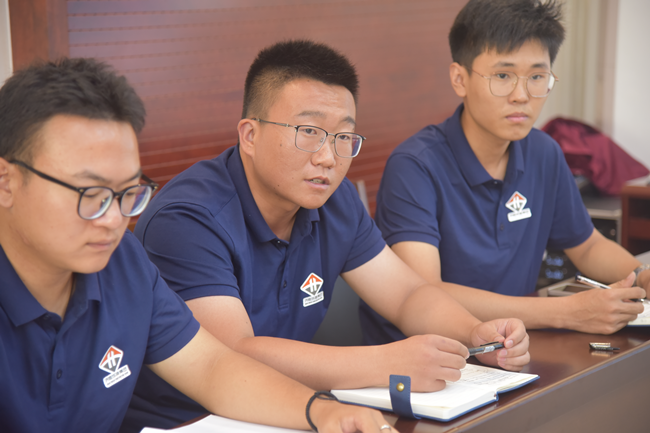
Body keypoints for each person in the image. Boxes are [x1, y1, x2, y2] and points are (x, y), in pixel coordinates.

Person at [124, 39, 530, 432]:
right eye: (309, 132)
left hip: (298, 410)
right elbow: (234, 354)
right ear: (250, 135)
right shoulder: (188, 218)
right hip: (187, 422)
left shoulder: (334, 200)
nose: (328, 157)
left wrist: (473, 332)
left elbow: (407, 294)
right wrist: (385, 362)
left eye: (343, 137)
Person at [0, 57, 394, 433]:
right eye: (90, 194)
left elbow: (212, 368)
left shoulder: (123, 262)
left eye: (127, 194)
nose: (113, 219)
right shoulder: (185, 218)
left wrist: (322, 412)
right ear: (7, 182)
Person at [360, 0, 648, 348]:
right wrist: (565, 312)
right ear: (460, 79)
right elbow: (424, 291)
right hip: (430, 356)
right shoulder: (414, 165)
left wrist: (640, 276)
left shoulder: (544, 152)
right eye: (502, 76)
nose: (521, 96)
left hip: (511, 348)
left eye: (537, 77)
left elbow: (586, 246)